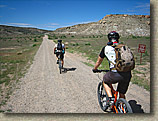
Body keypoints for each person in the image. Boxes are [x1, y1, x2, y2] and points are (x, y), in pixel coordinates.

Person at [92, 31, 132, 106]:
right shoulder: (124, 47)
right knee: (122, 93)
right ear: (118, 39)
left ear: (108, 39)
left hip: (115, 73)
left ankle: (111, 99)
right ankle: (123, 106)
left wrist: (95, 69)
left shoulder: (106, 48)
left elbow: (98, 61)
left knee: (105, 81)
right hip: (127, 73)